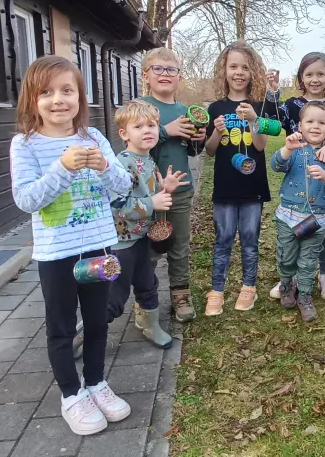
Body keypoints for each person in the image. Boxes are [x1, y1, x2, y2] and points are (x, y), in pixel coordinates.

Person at [9, 55, 133, 435]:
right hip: (57, 256)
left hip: (99, 249)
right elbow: (26, 200)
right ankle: (71, 394)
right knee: (61, 327)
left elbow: (124, 187)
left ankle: (96, 383)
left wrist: (105, 167)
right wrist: (62, 167)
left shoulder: (94, 138)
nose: (58, 99)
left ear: (80, 98)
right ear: (32, 100)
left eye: (67, 90)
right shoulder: (25, 145)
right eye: (46, 92)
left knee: (97, 321)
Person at [105, 101, 189, 350]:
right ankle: (87, 333)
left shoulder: (148, 160)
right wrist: (153, 203)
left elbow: (149, 194)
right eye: (138, 126)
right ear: (124, 134)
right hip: (121, 244)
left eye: (152, 125)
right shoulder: (121, 164)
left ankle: (152, 326)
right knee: (114, 296)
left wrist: (166, 188)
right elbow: (118, 205)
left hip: (142, 238)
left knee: (148, 284)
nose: (147, 130)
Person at [266, 52, 325, 301]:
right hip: (296, 173)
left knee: (323, 229)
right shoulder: (292, 104)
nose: (315, 79)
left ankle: (324, 274)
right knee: (292, 235)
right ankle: (288, 279)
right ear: (301, 76)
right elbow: (272, 120)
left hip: (322, 180)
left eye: (320, 74)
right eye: (309, 74)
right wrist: (273, 92)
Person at [137, 47, 205, 323]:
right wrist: (165, 131)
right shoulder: (139, 109)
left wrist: (196, 138)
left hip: (180, 190)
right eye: (158, 69)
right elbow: (136, 150)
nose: (165, 74)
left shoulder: (186, 111)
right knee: (148, 249)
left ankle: (180, 295)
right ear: (146, 75)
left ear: (180, 77)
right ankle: (145, 300)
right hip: (146, 192)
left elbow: (192, 152)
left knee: (179, 245)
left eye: (171, 70)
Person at [204, 41, 271, 315]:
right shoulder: (216, 108)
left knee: (249, 237)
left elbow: (260, 146)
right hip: (225, 186)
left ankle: (248, 288)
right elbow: (209, 151)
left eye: (245, 67)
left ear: (252, 71)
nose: (239, 72)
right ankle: (217, 290)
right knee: (223, 238)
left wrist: (255, 118)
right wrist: (217, 133)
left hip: (252, 186)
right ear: (225, 70)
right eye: (233, 66)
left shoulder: (260, 106)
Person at [270, 101, 325, 321]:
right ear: (300, 126)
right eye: (310, 121)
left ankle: (304, 294)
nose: (316, 126)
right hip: (288, 217)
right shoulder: (295, 150)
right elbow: (276, 165)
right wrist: (286, 148)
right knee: (287, 257)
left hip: (317, 220)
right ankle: (286, 286)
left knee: (308, 261)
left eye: (321, 122)